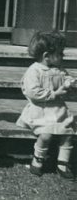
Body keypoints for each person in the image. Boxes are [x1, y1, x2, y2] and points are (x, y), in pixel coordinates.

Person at [16, 31, 76, 180]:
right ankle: (38, 158)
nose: (63, 56)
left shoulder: (59, 69)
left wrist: (70, 83)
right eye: (60, 53)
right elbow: (33, 93)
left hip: (58, 110)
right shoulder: (34, 71)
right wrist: (55, 93)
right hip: (40, 110)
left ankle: (63, 162)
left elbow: (65, 78)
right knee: (46, 134)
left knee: (68, 133)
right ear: (46, 56)